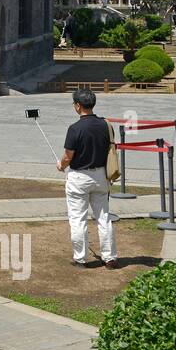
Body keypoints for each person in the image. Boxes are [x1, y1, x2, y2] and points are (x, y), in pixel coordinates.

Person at [56, 89, 117, 268]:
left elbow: (68, 156)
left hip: (79, 177)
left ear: (78, 106)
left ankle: (80, 258)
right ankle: (110, 257)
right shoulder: (105, 124)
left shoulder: (75, 128)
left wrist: (61, 166)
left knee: (77, 218)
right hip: (100, 175)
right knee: (104, 217)